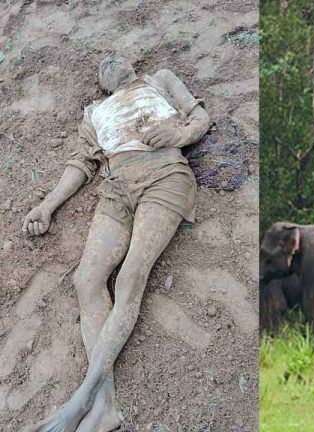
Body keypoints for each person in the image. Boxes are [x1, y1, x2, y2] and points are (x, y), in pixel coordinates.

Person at [24, 53, 211, 432]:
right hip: (116, 189)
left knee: (129, 278)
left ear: (131, 67)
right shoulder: (94, 112)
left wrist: (180, 135)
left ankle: (80, 400)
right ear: (102, 85)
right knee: (86, 281)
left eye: (116, 56)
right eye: (102, 63)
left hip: (165, 176)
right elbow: (81, 164)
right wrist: (47, 206)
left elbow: (200, 118)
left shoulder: (160, 79)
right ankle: (104, 406)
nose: (109, 59)